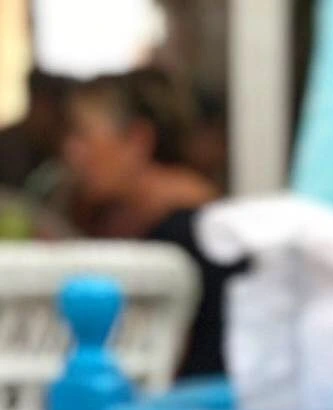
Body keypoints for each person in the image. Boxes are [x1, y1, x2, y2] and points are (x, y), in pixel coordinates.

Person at [62, 67, 241, 376]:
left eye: (83, 135)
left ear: (137, 140)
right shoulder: (144, 223)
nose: (71, 152)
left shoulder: (187, 238)